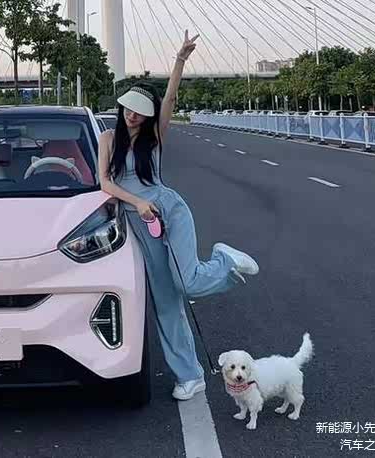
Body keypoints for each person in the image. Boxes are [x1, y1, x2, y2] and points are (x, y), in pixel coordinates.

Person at [97, 31, 260, 401]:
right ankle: (190, 376)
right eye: (128, 109)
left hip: (169, 211)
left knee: (187, 282)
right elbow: (104, 182)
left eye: (139, 111)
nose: (132, 115)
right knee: (166, 302)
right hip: (139, 222)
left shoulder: (154, 136)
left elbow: (170, 98)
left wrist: (180, 60)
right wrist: (136, 203)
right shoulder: (107, 139)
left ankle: (224, 261)